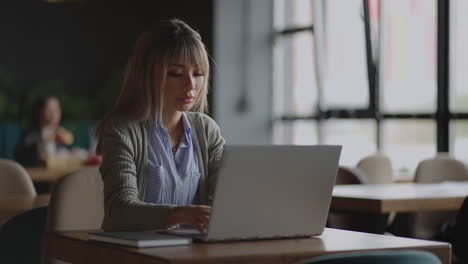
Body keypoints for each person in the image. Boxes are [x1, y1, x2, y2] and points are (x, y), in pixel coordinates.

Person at [95, 19, 225, 232]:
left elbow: (226, 198)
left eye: (198, 73)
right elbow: (118, 209)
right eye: (176, 73)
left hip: (191, 252)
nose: (191, 85)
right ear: (147, 74)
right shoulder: (121, 129)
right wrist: (180, 214)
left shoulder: (207, 130)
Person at [14, 96, 74, 167]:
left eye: (56, 110)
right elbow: (19, 155)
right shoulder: (31, 132)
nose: (54, 114)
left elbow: (65, 152)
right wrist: (43, 143)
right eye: (49, 110)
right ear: (39, 112)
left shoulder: (61, 133)